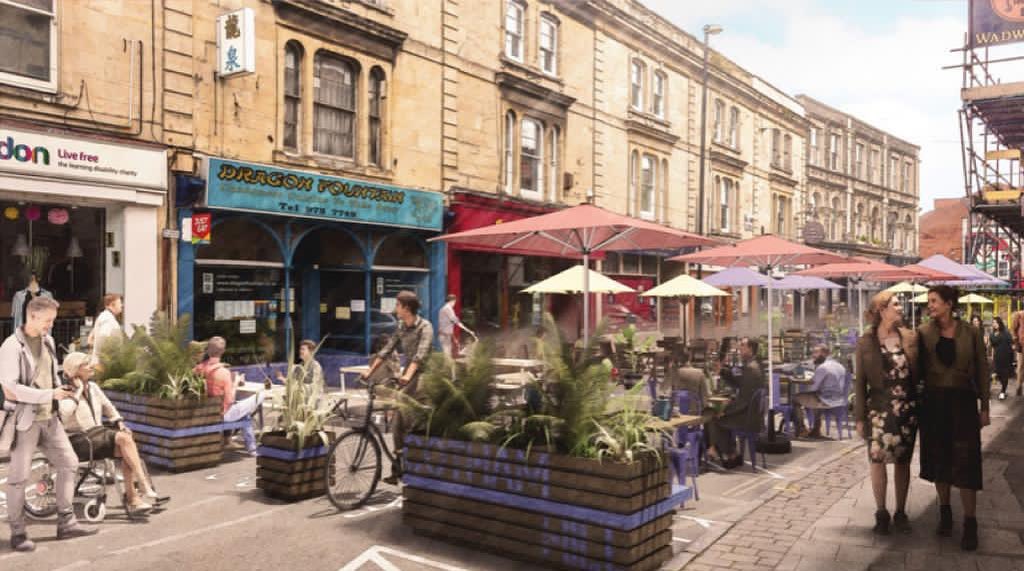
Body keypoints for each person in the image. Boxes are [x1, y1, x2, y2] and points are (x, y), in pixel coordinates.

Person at [0, 296, 98, 551]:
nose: (50, 326)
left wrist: (60, 387)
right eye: (47, 321)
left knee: (70, 463)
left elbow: (49, 374)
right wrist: (48, 395)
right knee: (18, 478)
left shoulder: (49, 341)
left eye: (52, 321)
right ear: (32, 316)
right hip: (25, 421)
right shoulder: (11, 347)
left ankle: (66, 524)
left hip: (50, 418)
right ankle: (18, 533)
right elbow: (10, 390)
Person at [918, 285, 989, 551]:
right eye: (929, 301)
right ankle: (945, 513)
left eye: (934, 301)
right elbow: (917, 371)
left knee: (967, 461)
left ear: (949, 304)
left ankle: (971, 522)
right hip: (934, 403)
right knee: (940, 459)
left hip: (963, 402)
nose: (930, 306)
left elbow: (982, 369)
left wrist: (985, 407)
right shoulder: (924, 333)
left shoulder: (971, 333)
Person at [58, 352, 162, 513]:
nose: (91, 366)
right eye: (86, 364)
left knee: (125, 445)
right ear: (75, 370)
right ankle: (142, 485)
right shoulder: (65, 391)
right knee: (124, 440)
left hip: (98, 436)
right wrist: (77, 392)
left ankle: (134, 498)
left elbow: (108, 407)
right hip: (79, 441)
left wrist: (119, 422)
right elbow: (65, 413)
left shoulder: (93, 387)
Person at [854, 292, 919, 536]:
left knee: (903, 462)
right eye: (896, 304)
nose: (900, 308)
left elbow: (918, 373)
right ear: (882, 309)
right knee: (877, 460)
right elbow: (860, 382)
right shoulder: (866, 342)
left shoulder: (910, 337)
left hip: (907, 410)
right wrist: (859, 417)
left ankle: (900, 512)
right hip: (878, 410)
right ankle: (881, 513)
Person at [360, 290, 433, 484]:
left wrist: (408, 374)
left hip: (425, 375)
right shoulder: (401, 326)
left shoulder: (425, 327)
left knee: (409, 417)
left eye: (398, 305)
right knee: (397, 420)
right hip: (408, 376)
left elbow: (421, 354)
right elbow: (387, 349)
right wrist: (370, 371)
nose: (395, 309)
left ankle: (415, 462)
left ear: (406, 308)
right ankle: (398, 466)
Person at [194, 336, 265, 456]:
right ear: (223, 351)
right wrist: (236, 382)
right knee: (261, 394)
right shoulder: (224, 373)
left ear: (207, 350)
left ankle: (246, 447)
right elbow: (229, 400)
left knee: (244, 414)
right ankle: (252, 449)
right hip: (223, 414)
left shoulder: (198, 368)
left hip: (207, 411)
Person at [706, 337, 765, 469]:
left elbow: (744, 400)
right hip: (751, 413)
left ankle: (722, 451)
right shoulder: (754, 365)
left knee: (716, 418)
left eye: (743, 346)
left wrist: (725, 410)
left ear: (750, 349)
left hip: (748, 417)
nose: (739, 348)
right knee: (721, 416)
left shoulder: (751, 368)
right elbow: (739, 383)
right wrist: (722, 371)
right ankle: (728, 451)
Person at [793, 344, 848, 439]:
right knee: (816, 395)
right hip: (840, 399)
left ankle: (801, 429)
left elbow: (813, 388)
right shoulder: (840, 366)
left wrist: (802, 379)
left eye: (815, 352)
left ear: (823, 353)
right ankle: (816, 430)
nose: (813, 355)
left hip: (827, 400)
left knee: (795, 399)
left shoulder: (823, 367)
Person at [668, 349, 712, 415]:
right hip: (694, 409)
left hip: (677, 409)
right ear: (690, 358)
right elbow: (705, 395)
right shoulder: (699, 373)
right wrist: (706, 409)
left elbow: (670, 393)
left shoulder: (675, 373)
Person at [88, 293, 124, 363]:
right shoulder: (107, 320)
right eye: (119, 303)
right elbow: (103, 340)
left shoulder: (104, 317)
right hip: (104, 364)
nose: (121, 305)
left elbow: (90, 339)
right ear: (112, 305)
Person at [990, 316, 1014, 401]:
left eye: (996, 323)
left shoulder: (1006, 333)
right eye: (993, 323)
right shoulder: (992, 334)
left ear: (1000, 323)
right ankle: (988, 391)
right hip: (997, 357)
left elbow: (1012, 344)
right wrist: (992, 356)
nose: (994, 324)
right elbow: (993, 346)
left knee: (1004, 375)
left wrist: (1012, 357)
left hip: (1006, 356)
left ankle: (1003, 391)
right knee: (994, 374)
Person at [1012, 308, 1024, 396]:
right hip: (1022, 344)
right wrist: (1016, 343)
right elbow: (1013, 329)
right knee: (1020, 367)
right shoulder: (1019, 314)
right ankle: (1019, 387)